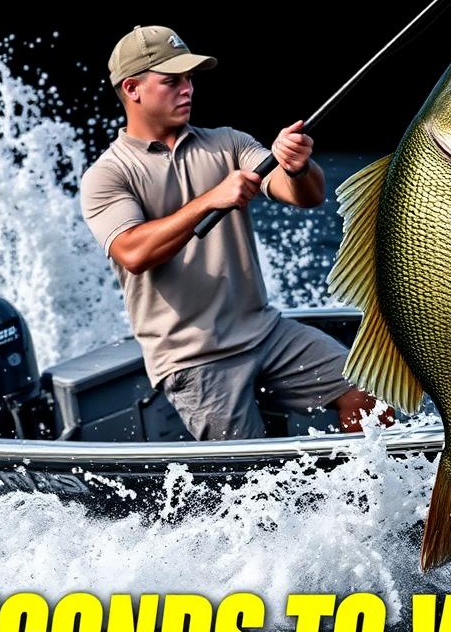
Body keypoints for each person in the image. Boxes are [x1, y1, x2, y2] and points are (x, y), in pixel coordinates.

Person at [79, 24, 388, 441]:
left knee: (369, 390)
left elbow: (303, 195)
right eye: (172, 81)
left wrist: (296, 166)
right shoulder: (108, 174)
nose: (187, 89)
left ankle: (374, 504)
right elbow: (133, 252)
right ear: (132, 89)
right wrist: (211, 199)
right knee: (250, 480)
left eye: (189, 78)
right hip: (193, 359)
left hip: (266, 332)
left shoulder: (228, 142)